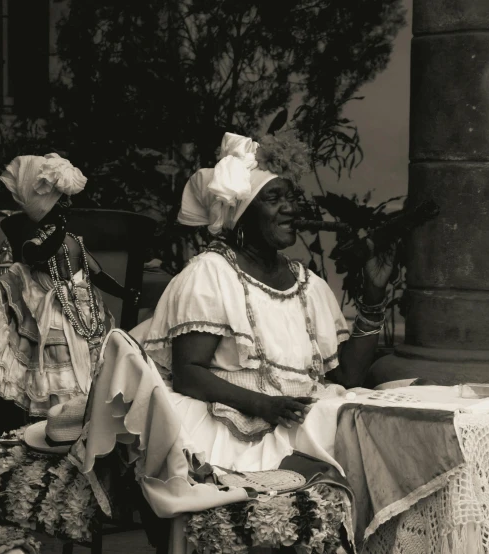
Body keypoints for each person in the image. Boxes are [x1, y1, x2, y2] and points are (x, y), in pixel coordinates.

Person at [132, 132, 395, 471]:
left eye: (291, 197)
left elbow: (348, 375)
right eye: (274, 198)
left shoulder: (309, 284)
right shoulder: (210, 274)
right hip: (235, 425)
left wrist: (373, 297)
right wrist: (265, 405)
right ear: (241, 215)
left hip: (302, 415)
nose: (291, 209)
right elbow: (188, 374)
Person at [0, 154, 137, 416]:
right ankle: (58, 415)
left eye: (68, 199)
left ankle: (86, 412)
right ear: (46, 207)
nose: (68, 204)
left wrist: (123, 292)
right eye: (61, 200)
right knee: (60, 363)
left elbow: (97, 274)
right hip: (53, 314)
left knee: (95, 361)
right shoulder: (36, 240)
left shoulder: (73, 240)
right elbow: (36, 256)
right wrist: (57, 233)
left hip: (84, 311)